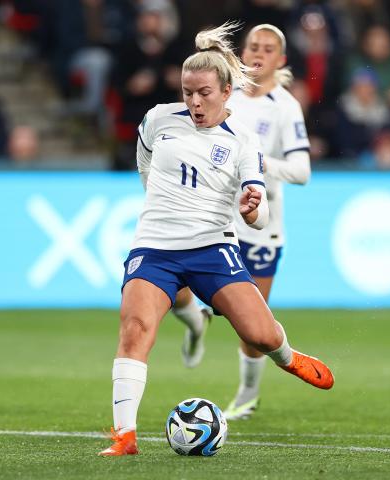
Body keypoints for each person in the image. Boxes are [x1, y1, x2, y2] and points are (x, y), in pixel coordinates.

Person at [99, 22, 333, 457]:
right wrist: (161, 202)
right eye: (187, 92)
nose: (193, 102)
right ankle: (124, 436)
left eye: (203, 93)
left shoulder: (244, 141)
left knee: (259, 336)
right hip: (155, 249)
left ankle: (289, 358)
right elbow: (144, 162)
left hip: (213, 248)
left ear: (226, 91)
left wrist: (252, 209)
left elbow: (259, 211)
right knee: (135, 330)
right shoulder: (157, 119)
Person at [171, 23, 313, 421]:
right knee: (170, 284)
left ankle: (247, 394)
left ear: (280, 60)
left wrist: (256, 164)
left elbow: (302, 171)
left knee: (254, 325)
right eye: (253, 46)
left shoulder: (284, 107)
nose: (259, 53)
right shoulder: (222, 90)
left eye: (268, 49)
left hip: (262, 221)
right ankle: (194, 320)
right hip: (214, 214)